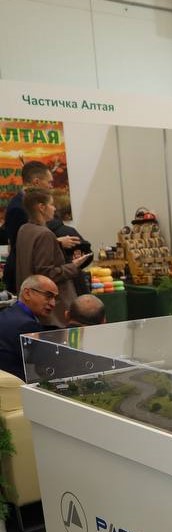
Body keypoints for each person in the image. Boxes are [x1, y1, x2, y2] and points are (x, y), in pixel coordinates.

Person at [2, 161, 81, 294]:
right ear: (36, 182)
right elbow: (20, 246)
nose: (51, 186)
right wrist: (56, 242)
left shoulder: (25, 206)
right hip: (29, 278)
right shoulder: (18, 208)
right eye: (49, 182)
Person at [13, 188, 83, 328]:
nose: (54, 208)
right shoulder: (45, 234)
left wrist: (56, 243)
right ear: (41, 207)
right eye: (51, 204)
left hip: (30, 302)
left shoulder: (24, 229)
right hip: (52, 309)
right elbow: (46, 274)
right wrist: (74, 266)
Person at [0, 275, 57, 380]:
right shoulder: (28, 325)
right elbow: (43, 367)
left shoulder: (7, 312)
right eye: (48, 296)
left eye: (55, 298)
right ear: (27, 293)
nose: (53, 303)